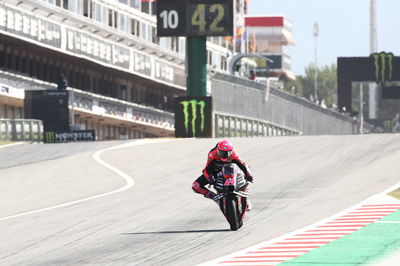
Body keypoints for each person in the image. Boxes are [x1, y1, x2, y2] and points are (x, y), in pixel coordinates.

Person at [192, 139, 254, 210]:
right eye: (222, 153)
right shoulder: (212, 154)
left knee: (246, 175)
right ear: (218, 150)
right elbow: (206, 169)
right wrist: (210, 178)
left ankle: (246, 198)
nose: (225, 155)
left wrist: (248, 174)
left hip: (232, 173)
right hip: (216, 173)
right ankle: (215, 198)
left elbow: (243, 165)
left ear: (231, 151)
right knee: (195, 186)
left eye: (227, 153)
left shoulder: (234, 154)